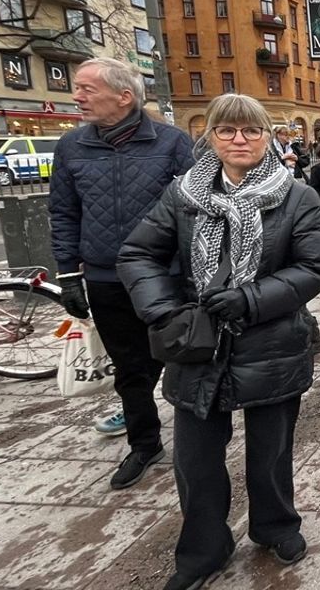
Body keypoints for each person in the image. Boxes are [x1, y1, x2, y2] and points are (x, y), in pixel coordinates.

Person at [117, 94, 320, 589]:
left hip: (272, 340)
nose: (240, 139)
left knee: (271, 450)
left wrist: (253, 299)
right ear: (210, 136)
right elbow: (138, 255)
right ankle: (202, 549)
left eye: (252, 131)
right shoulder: (183, 194)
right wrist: (165, 310)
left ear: (268, 137)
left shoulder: (296, 195)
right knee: (194, 459)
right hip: (198, 345)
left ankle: (276, 525)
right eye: (227, 130)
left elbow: (317, 265)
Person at [49, 57, 194, 488]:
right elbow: (63, 211)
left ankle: (197, 437)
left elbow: (196, 208)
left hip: (162, 274)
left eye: (87, 89)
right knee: (129, 368)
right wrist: (68, 274)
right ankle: (144, 444)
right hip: (104, 276)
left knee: (179, 356)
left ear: (124, 96)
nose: (77, 97)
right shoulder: (71, 146)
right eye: (77, 88)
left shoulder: (171, 142)